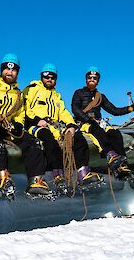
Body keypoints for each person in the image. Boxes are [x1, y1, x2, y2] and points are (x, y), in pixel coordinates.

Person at [0, 53, 51, 199]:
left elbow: (20, 112)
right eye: (7, 69)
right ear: (1, 69)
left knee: (34, 143)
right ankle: (4, 179)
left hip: (8, 128)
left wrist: (18, 124)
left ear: (17, 72)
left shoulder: (18, 93)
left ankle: (35, 181)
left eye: (13, 70)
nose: (9, 72)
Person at [23, 63, 103, 194]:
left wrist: (71, 125)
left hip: (54, 127)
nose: (49, 79)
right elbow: (25, 108)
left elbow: (63, 112)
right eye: (46, 76)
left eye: (52, 77)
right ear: (41, 77)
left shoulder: (56, 96)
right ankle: (57, 175)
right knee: (49, 141)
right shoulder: (32, 89)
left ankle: (83, 172)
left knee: (77, 136)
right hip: (35, 125)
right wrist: (37, 120)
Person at [71, 66, 134, 181]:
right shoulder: (79, 93)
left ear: (98, 81)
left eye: (95, 78)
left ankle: (122, 165)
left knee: (115, 133)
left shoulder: (101, 97)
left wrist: (129, 109)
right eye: (90, 77)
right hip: (84, 122)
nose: (92, 79)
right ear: (86, 79)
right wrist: (87, 118)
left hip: (99, 121)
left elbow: (114, 110)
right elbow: (75, 109)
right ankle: (110, 155)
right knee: (96, 129)